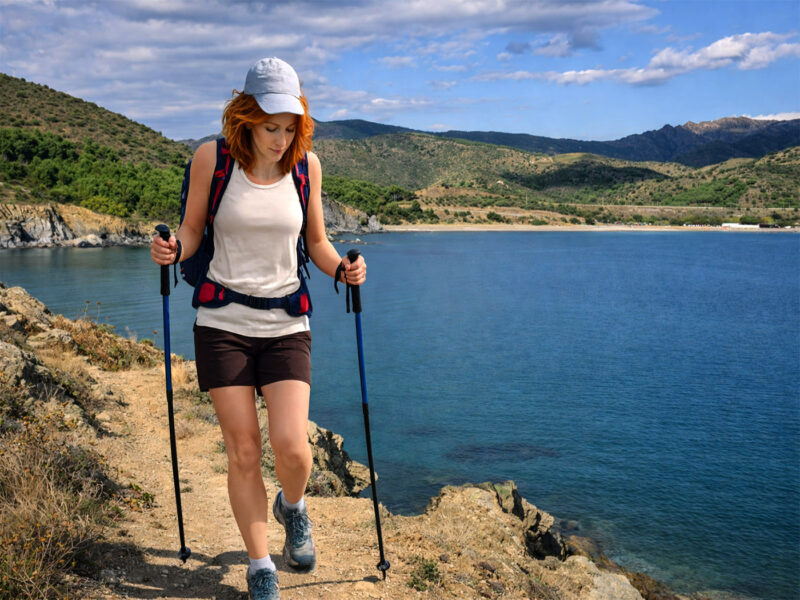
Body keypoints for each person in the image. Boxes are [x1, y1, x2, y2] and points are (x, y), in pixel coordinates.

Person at [150, 57, 366, 600]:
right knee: (244, 449)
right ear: (246, 117)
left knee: (294, 449)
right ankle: (259, 564)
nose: (281, 137)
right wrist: (173, 249)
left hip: (287, 322)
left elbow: (316, 242)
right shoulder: (211, 159)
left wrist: (342, 267)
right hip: (222, 322)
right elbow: (193, 230)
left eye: (290, 127)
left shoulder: (305, 167)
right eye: (272, 126)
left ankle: (292, 507)